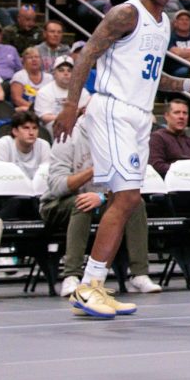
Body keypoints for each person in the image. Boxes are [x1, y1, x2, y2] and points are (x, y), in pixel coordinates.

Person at [51, 0, 190, 318]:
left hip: (139, 115)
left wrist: (188, 84)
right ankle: (87, 286)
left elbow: (152, 76)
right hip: (113, 109)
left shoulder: (164, 22)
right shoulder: (126, 14)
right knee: (125, 198)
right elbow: (86, 57)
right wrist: (70, 104)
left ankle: (93, 285)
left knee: (126, 201)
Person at [41, 119, 157, 297]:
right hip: (56, 203)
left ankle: (139, 274)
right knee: (82, 202)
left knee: (135, 203)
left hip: (100, 200)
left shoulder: (117, 139)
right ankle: (71, 276)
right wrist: (94, 170)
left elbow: (128, 185)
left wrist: (102, 197)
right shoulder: (67, 137)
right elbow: (57, 186)